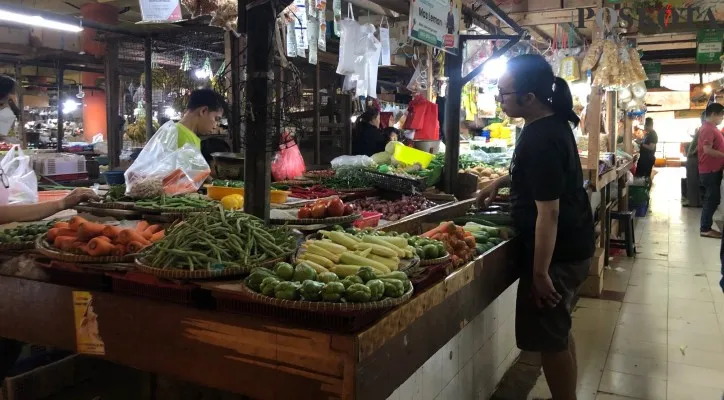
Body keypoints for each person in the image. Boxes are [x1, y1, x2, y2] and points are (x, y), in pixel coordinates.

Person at [477, 54, 594, 400]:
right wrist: (501, 180)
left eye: (504, 94)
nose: (500, 99)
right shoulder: (551, 122)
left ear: (529, 98)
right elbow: (542, 177)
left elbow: (549, 214)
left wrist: (541, 273)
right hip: (573, 246)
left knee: (550, 342)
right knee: (557, 332)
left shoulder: (542, 138)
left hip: (558, 256)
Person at [697, 103, 724, 238]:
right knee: (711, 200)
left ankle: (706, 227)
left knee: (713, 199)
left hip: (712, 169)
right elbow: (707, 150)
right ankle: (705, 228)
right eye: (721, 115)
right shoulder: (708, 129)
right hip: (710, 170)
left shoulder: (711, 128)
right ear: (713, 114)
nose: (722, 118)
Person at [684, 113, 705, 208]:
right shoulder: (703, 129)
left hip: (694, 158)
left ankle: (694, 202)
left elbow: (701, 144)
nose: (701, 119)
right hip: (695, 158)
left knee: (692, 181)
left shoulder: (704, 129)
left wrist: (692, 152)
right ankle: (697, 201)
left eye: (702, 117)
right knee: (695, 181)